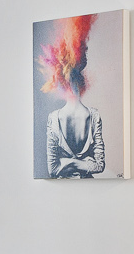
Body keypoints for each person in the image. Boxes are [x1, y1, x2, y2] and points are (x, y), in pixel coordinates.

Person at [39, 14, 107, 178]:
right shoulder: (93, 116)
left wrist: (69, 163)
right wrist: (84, 163)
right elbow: (97, 165)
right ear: (82, 82)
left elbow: (54, 169)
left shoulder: (54, 118)